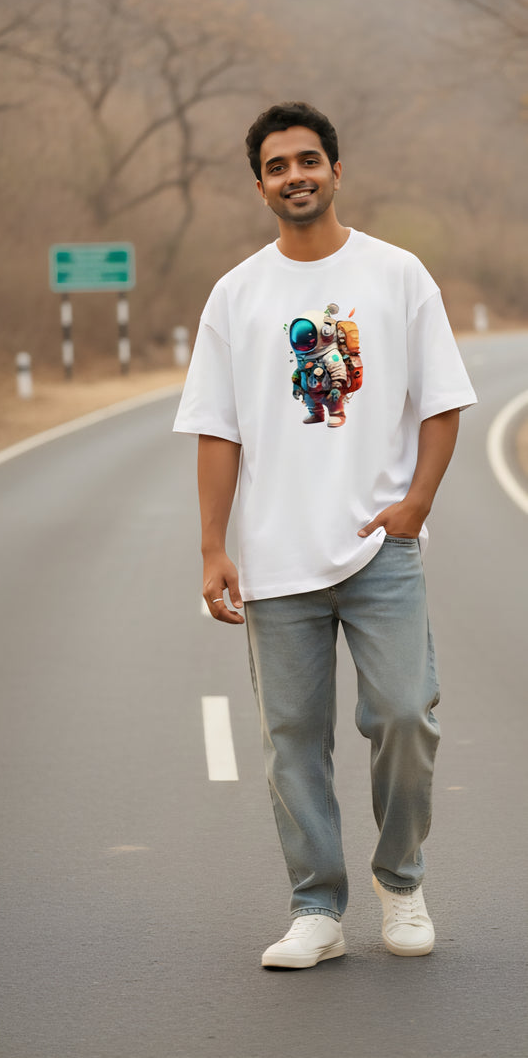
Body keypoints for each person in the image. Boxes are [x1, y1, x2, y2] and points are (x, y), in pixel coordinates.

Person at [173, 101, 477, 969]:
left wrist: (415, 503)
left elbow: (443, 401)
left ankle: (401, 880)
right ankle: (315, 908)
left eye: (307, 160)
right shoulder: (236, 293)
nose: (294, 175)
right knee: (293, 743)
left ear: (335, 171)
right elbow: (217, 429)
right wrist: (213, 546)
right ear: (260, 185)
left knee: (405, 716)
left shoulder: (396, 273)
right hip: (277, 560)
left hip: (381, 547)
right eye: (276, 166)